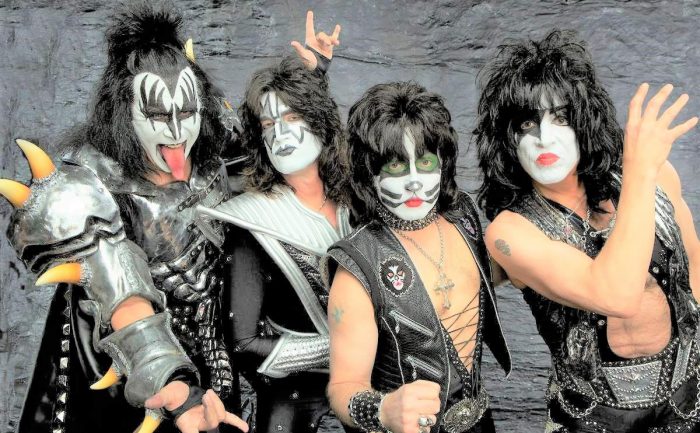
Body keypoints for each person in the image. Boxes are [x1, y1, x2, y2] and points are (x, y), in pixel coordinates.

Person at [0, 4, 246, 433]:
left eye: (187, 112)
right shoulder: (90, 183)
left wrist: (308, 77)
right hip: (121, 356)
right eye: (157, 115)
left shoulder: (217, 145)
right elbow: (122, 293)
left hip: (210, 341)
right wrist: (175, 389)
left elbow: (269, 157)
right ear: (124, 112)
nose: (176, 131)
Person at [475, 30, 700, 432]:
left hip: (688, 401)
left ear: (585, 121)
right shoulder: (511, 232)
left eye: (561, 117)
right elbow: (615, 295)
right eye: (527, 123)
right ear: (507, 141)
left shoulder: (656, 175)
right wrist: (640, 173)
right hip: (591, 418)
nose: (544, 138)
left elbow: (694, 267)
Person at [322, 81, 511, 433]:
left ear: (443, 163)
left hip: (482, 423)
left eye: (424, 162)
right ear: (370, 171)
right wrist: (382, 410)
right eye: (396, 166)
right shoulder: (357, 267)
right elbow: (343, 386)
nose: (413, 181)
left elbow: (483, 278)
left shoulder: (464, 218)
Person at [198, 11, 350, 433]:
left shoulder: (359, 196)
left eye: (293, 119)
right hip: (292, 398)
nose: (280, 133)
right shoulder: (251, 221)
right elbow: (244, 344)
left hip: (372, 383)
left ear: (319, 122)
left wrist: (314, 77)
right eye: (269, 124)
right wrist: (343, 347)